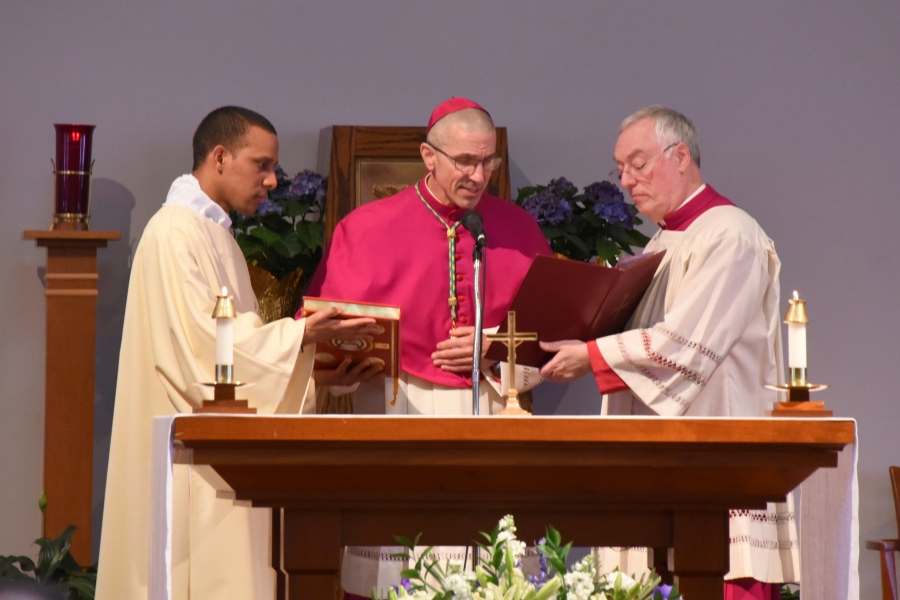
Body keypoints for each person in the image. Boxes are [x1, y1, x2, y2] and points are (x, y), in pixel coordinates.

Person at [95, 106, 379, 600]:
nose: (271, 181)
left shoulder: (215, 234)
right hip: (191, 463)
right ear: (220, 157)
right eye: (261, 164)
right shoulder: (174, 233)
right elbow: (202, 352)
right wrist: (301, 336)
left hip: (221, 457)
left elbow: (232, 351)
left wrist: (314, 377)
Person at [540, 105, 797, 598]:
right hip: (665, 466)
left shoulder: (730, 233)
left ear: (680, 155)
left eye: (638, 164)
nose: (627, 180)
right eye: (619, 169)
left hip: (713, 464)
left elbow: (687, 346)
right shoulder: (665, 238)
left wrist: (591, 356)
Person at [304, 97, 552, 598]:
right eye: (465, 161)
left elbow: (553, 332)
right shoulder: (368, 226)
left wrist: (491, 349)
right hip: (399, 407)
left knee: (493, 573)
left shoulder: (518, 229)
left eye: (488, 162)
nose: (478, 176)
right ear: (428, 155)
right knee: (399, 570)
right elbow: (324, 331)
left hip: (492, 408)